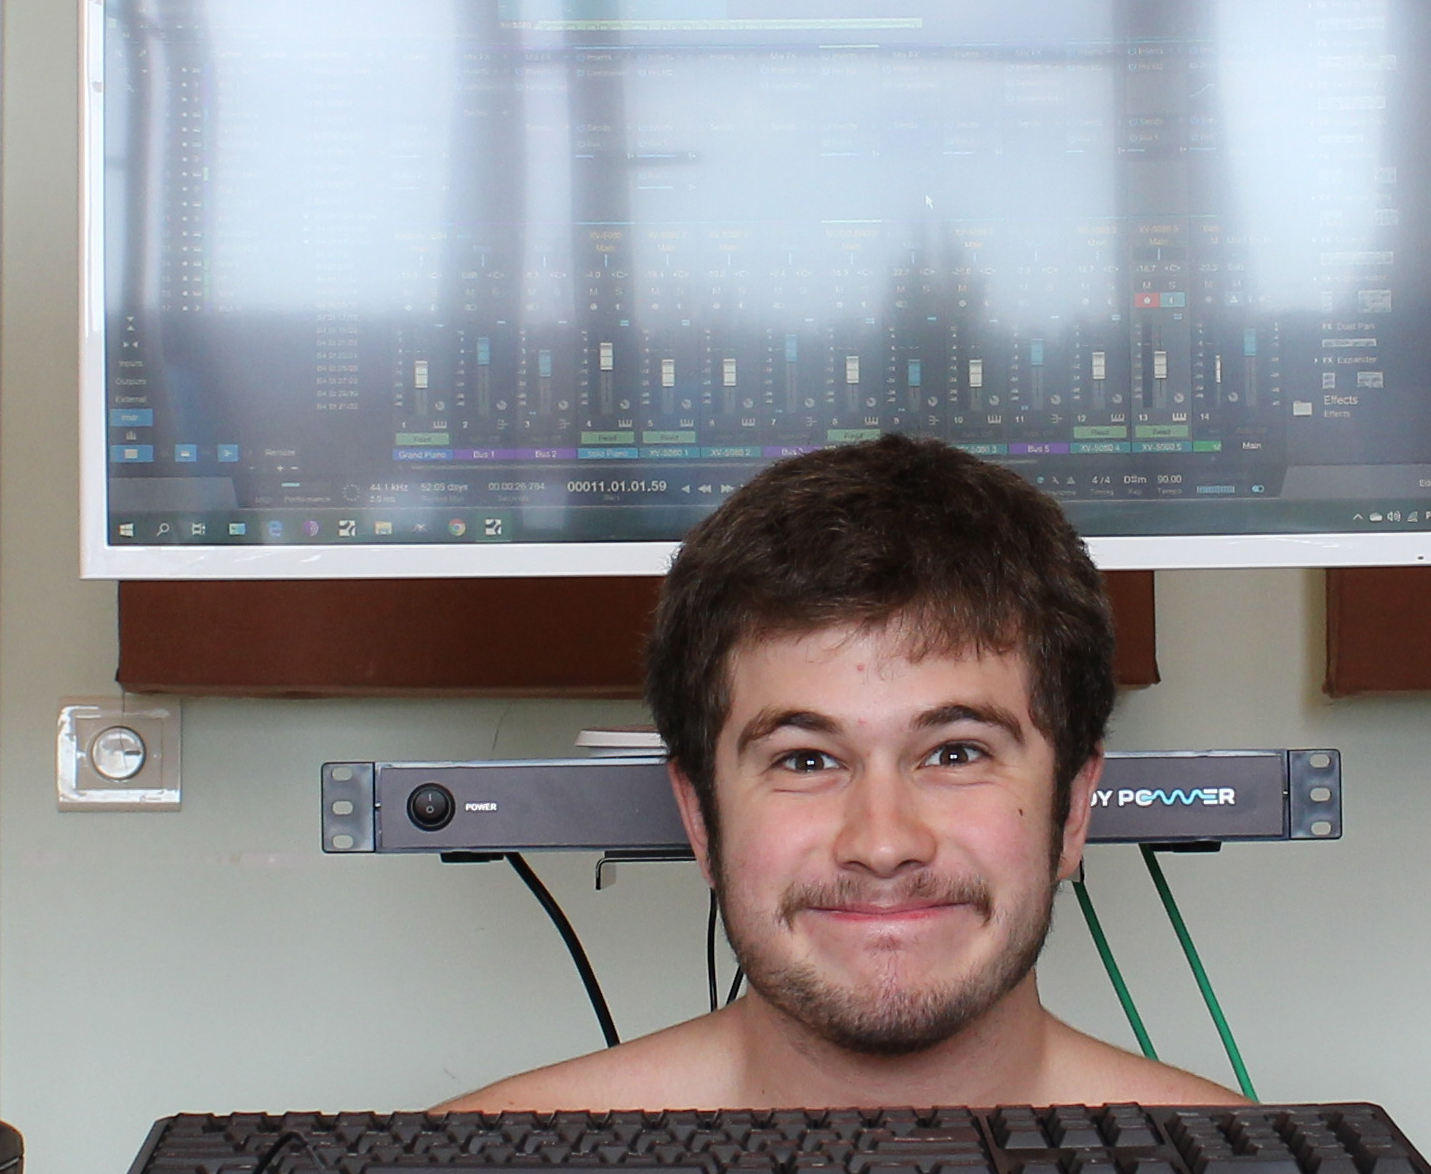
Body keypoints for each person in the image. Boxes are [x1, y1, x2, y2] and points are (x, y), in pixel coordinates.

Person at [440, 435, 1237, 1112]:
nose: (883, 845)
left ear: (1073, 807)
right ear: (700, 818)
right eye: (806, 760)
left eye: (956, 753)